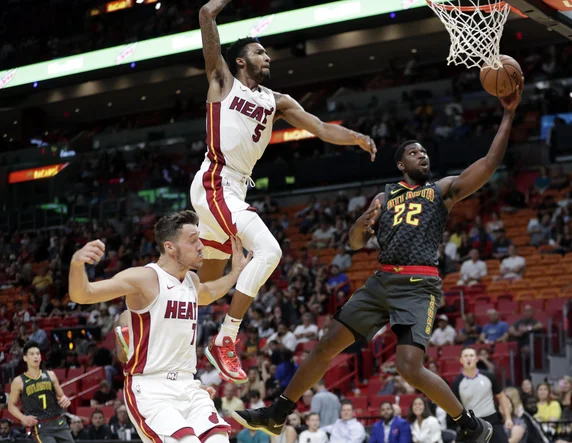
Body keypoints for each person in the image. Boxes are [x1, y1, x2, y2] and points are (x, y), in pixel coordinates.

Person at [234, 80, 523, 440]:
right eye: (415, 153)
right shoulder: (383, 198)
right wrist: (360, 225)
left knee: (408, 367)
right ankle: (278, 412)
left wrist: (508, 115)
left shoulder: (441, 191)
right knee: (326, 345)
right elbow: (355, 243)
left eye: (425, 153)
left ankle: (469, 424)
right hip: (382, 281)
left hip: (419, 285)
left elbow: (488, 163)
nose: (423, 156)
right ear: (401, 163)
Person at [195, 0, 377, 384]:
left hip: (234, 190)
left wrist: (357, 137)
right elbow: (206, 16)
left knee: (204, 292)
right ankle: (225, 340)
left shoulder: (277, 101)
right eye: (259, 52)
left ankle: (139, 314)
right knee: (271, 250)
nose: (267, 57)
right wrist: (214, 9)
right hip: (216, 180)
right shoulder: (222, 81)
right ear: (240, 61)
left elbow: (323, 128)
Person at [68, 210, 253, 443]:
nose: (200, 246)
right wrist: (76, 263)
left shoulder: (192, 281)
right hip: (151, 389)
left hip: (188, 385)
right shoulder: (144, 279)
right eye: (193, 241)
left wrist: (236, 272)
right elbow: (83, 294)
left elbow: (209, 293)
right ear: (170, 247)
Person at [8, 341, 74, 443]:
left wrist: (65, 399)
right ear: (25, 358)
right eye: (32, 354)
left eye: (38, 354)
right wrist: (22, 417)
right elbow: (11, 405)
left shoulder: (50, 375)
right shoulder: (19, 381)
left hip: (59, 422)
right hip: (40, 426)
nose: (36, 357)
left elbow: (61, 396)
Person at [452, 348, 512, 443]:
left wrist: (508, 418)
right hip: (471, 424)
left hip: (492, 420)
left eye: (471, 355)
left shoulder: (488, 376)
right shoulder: (457, 382)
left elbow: (501, 397)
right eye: (466, 356)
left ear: (476, 359)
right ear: (461, 360)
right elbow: (455, 407)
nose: (469, 358)